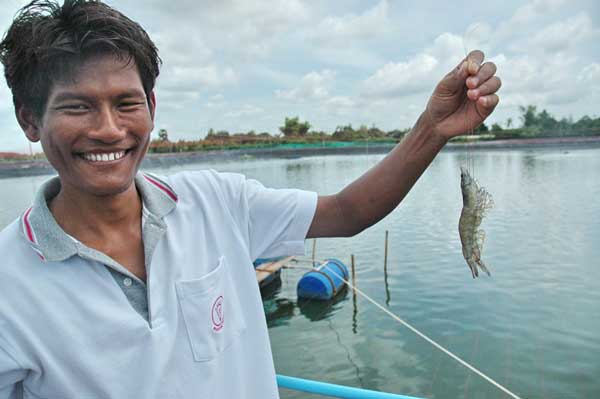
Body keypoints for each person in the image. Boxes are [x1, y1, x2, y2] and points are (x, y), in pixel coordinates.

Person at [0, 1, 501, 398]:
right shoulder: (8, 283)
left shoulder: (218, 201)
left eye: (125, 102)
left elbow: (349, 212)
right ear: (29, 119)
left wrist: (432, 129)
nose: (108, 130)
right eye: (77, 107)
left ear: (151, 107)